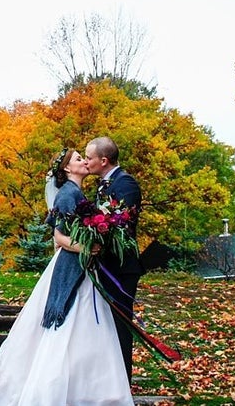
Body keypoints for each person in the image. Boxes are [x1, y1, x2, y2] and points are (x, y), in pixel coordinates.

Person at [0, 148, 135, 406]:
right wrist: (87, 246)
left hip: (84, 267)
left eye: (84, 158)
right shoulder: (67, 195)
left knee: (88, 328)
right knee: (68, 326)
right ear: (67, 169)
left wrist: (95, 242)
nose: (83, 161)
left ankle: (89, 388)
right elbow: (59, 237)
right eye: (77, 159)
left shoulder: (79, 193)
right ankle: (58, 387)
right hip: (71, 266)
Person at [85, 136, 143, 382]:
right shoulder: (104, 185)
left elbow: (122, 225)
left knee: (120, 323)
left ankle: (122, 381)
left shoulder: (125, 183)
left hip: (120, 268)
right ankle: (107, 378)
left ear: (104, 160)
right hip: (105, 265)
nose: (86, 162)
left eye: (89, 158)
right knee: (104, 323)